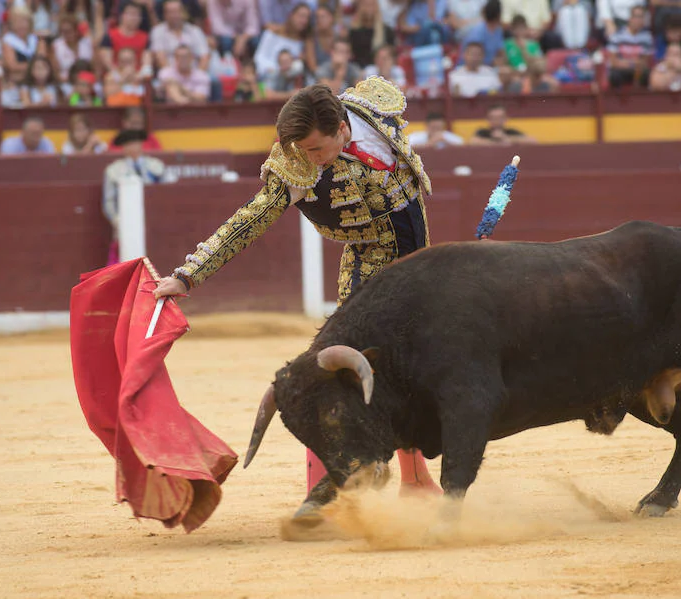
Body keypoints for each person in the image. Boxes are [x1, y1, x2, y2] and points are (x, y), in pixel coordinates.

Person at [152, 79, 442, 521]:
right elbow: (248, 221)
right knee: (341, 374)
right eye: (303, 151)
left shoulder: (373, 110)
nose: (310, 159)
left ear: (344, 128)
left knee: (418, 369)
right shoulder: (294, 167)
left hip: (421, 263)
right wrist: (189, 275)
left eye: (317, 149)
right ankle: (323, 497)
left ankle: (416, 483)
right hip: (371, 265)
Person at [103, 128, 165, 264]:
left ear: (141, 144)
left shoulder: (156, 166)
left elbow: (164, 194)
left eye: (135, 142)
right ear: (123, 148)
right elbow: (109, 201)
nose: (132, 147)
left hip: (154, 221)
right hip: (126, 222)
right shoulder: (113, 170)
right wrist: (117, 221)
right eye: (128, 144)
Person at [253, 2, 311, 76]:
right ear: (291, 15)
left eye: (307, 18)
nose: (304, 21)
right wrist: (276, 70)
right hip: (266, 75)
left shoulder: (304, 43)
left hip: (288, 81)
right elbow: (259, 58)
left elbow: (297, 68)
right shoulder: (272, 33)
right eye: (301, 16)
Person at [150, 0, 209, 71]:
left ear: (184, 13)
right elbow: (160, 57)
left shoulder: (195, 31)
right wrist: (172, 77)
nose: (174, 15)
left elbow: (204, 56)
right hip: (169, 77)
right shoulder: (158, 31)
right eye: (170, 12)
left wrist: (197, 76)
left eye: (177, 11)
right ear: (164, 15)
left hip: (193, 74)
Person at [99, 2, 153, 76]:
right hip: (115, 77)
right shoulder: (109, 36)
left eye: (137, 15)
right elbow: (107, 63)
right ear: (122, 16)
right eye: (131, 14)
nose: (134, 18)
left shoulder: (145, 37)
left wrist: (137, 76)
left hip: (137, 77)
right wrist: (119, 76)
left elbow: (147, 63)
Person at [606, 5, 654, 89]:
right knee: (614, 75)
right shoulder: (617, 35)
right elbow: (613, 61)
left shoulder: (647, 37)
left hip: (637, 71)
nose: (639, 20)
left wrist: (634, 64)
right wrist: (630, 63)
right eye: (636, 16)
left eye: (641, 17)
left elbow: (645, 61)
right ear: (630, 18)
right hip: (621, 69)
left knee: (646, 74)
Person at [1, 6, 47, 83]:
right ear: (12, 24)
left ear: (30, 23)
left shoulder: (36, 39)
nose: (21, 25)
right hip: (16, 82)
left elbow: (43, 62)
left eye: (24, 21)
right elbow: (12, 66)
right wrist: (35, 68)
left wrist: (24, 67)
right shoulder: (8, 41)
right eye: (17, 21)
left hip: (37, 82)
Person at [349, 0, 395, 68]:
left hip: (380, 69)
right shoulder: (353, 31)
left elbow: (391, 53)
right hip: (359, 69)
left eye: (372, 5)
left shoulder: (387, 31)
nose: (369, 8)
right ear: (360, 8)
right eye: (366, 5)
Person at [458, 0, 505, 66]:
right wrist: (491, 63)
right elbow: (472, 57)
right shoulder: (478, 31)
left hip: (488, 68)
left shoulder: (498, 30)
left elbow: (500, 51)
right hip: (471, 67)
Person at [50, 14, 94, 82]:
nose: (66, 34)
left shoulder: (87, 43)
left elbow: (94, 67)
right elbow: (55, 72)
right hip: (66, 82)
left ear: (76, 30)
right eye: (63, 31)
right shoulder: (56, 46)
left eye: (69, 31)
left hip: (86, 81)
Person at [469, 103, 537, 145]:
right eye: (493, 118)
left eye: (500, 117)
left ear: (505, 119)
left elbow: (532, 140)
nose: (497, 121)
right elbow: (473, 141)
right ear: (488, 119)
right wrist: (495, 142)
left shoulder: (511, 132)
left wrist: (508, 139)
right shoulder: (483, 132)